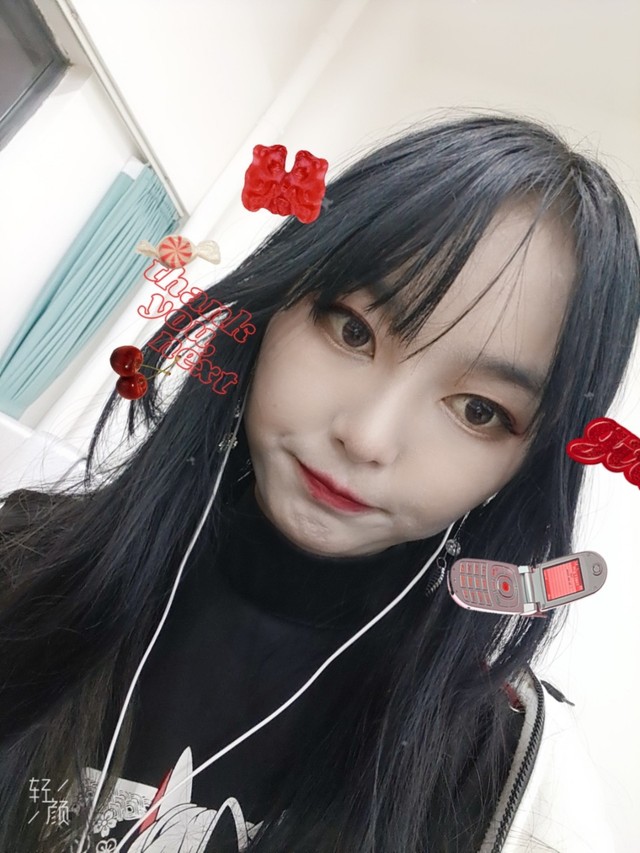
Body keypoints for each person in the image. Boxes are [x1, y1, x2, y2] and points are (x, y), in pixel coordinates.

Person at [1, 114, 638, 853]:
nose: (367, 437)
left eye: (478, 410)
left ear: (524, 467)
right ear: (274, 308)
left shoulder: (499, 781)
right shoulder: (22, 558)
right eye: (352, 330)